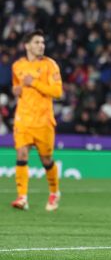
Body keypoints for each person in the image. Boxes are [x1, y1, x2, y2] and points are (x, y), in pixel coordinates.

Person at [10, 29, 63, 211]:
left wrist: (34, 83)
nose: (41, 45)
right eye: (37, 42)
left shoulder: (50, 65)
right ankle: (22, 197)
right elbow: (17, 87)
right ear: (27, 46)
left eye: (42, 42)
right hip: (23, 118)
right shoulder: (17, 66)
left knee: (46, 160)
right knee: (21, 154)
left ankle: (54, 192)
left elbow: (57, 92)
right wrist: (16, 90)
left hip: (43, 121)